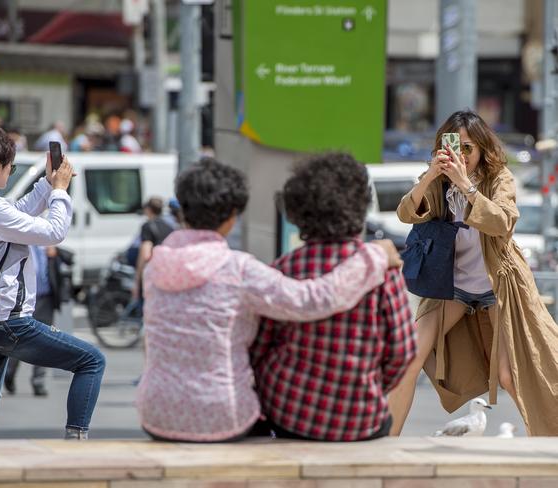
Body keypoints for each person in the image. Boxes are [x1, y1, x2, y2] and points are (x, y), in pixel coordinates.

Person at [136, 158, 403, 442]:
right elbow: (312, 300)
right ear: (232, 216)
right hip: (222, 418)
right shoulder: (239, 270)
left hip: (155, 413)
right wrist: (372, 257)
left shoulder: (154, 268)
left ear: (183, 213)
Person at [389, 110, 558, 436]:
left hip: (498, 286)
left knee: (511, 375)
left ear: (482, 149)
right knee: (408, 359)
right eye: (453, 146)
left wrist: (466, 187)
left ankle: (546, 443)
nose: (460, 155)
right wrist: (429, 177)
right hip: (451, 287)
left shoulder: (498, 179)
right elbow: (405, 213)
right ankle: (386, 445)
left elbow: (502, 222)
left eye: (468, 148)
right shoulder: (436, 180)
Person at [0, 126, 105, 440]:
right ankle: (76, 444)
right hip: (7, 322)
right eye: (11, 168)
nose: (10, 173)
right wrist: (60, 192)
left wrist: (48, 181)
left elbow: (19, 212)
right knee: (91, 361)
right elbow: (54, 232)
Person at [250, 153, 417, 442]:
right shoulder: (384, 274)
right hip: (361, 418)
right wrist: (370, 384)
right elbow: (402, 350)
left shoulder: (284, 269)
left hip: (290, 412)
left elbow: (258, 348)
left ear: (298, 212)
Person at [4, 245, 73, 396]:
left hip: (45, 298)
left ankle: (38, 380)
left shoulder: (45, 243)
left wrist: (55, 252)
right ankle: (9, 373)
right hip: (23, 297)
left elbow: (70, 259)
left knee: (44, 341)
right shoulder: (20, 241)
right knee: (19, 339)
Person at [132, 197, 175, 300]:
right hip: (167, 272)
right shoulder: (169, 227)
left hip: (152, 272)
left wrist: (137, 279)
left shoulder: (147, 226)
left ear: (148, 209)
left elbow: (145, 254)